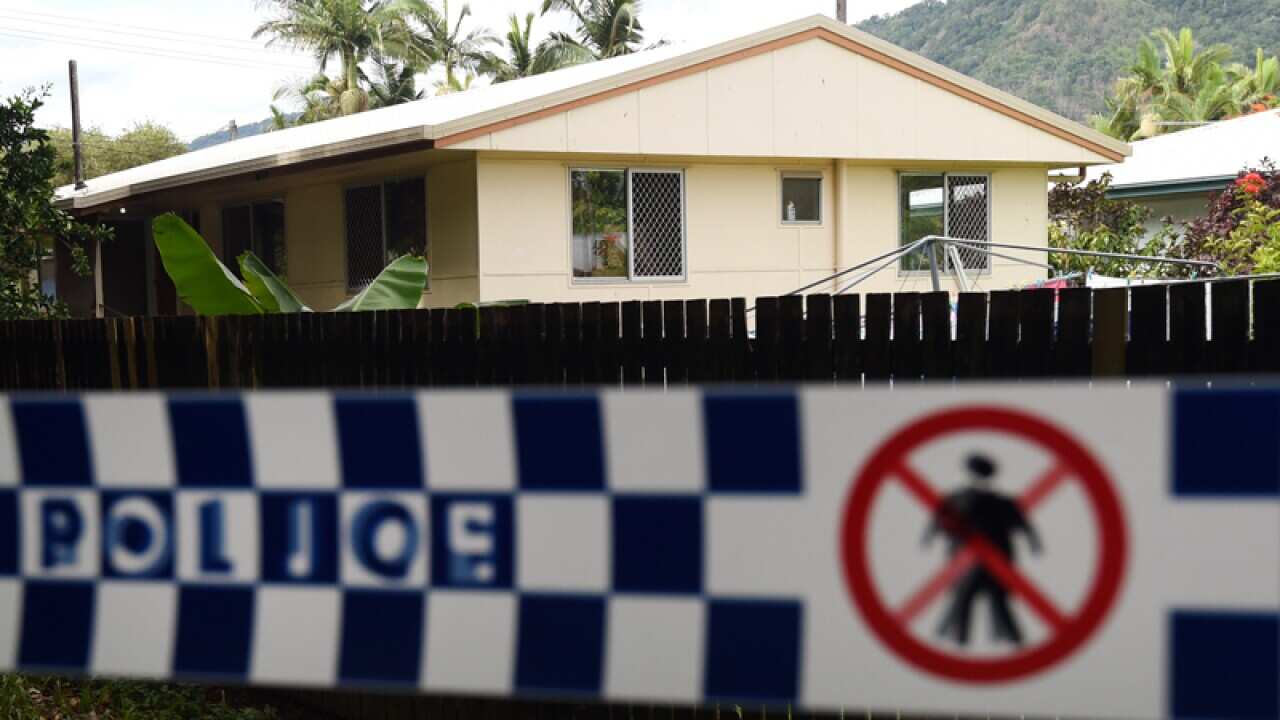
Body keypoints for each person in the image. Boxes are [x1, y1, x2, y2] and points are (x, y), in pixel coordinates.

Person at [922, 454, 1042, 646]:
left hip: (975, 561)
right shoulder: (999, 502)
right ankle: (972, 640)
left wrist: (929, 538)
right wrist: (1034, 544)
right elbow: (1025, 528)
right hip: (983, 561)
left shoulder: (958, 499)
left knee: (973, 599)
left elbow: (937, 523)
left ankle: (962, 640)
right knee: (982, 600)